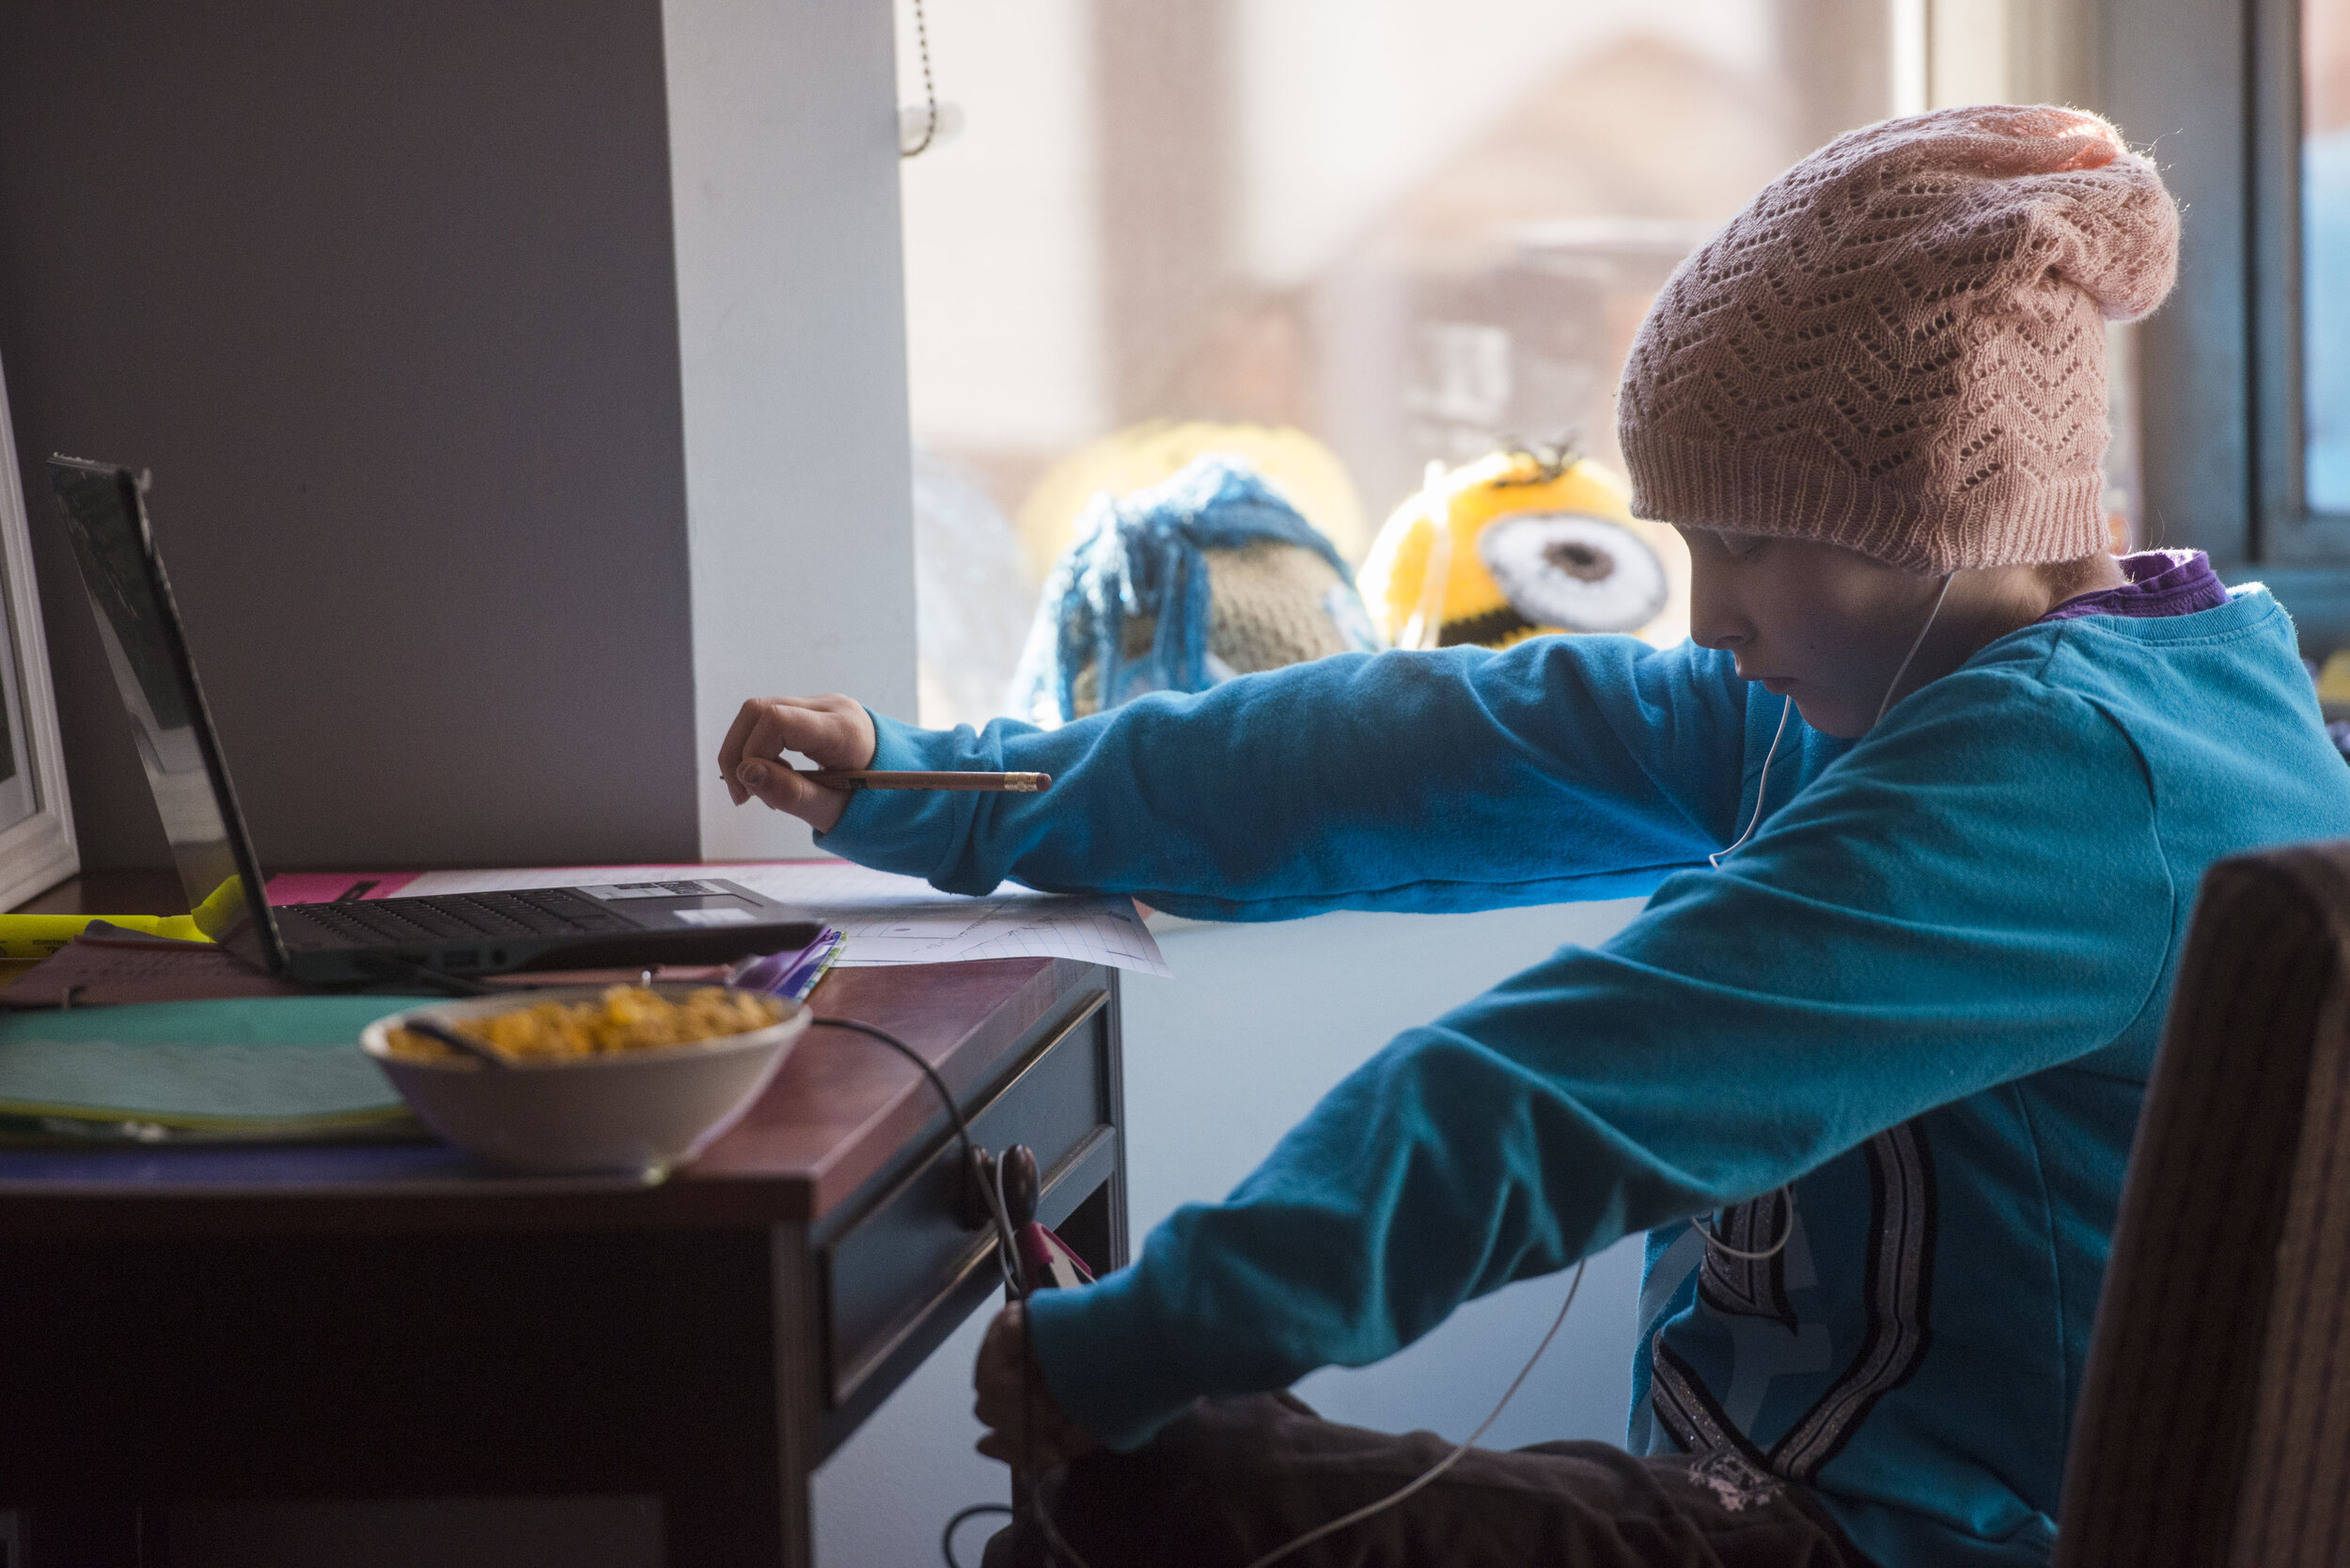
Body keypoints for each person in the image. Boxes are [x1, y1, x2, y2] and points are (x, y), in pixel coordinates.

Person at [716, 106, 2350, 1567]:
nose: (1708, 616)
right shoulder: (1917, 679)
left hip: (1907, 1537)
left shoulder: (2063, 782)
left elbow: (1571, 1086)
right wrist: (945, 786)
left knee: (1174, 1496)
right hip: (1787, 1494)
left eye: (1754, 547)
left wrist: (1153, 1336)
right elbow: (1421, 752)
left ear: (1945, 522)